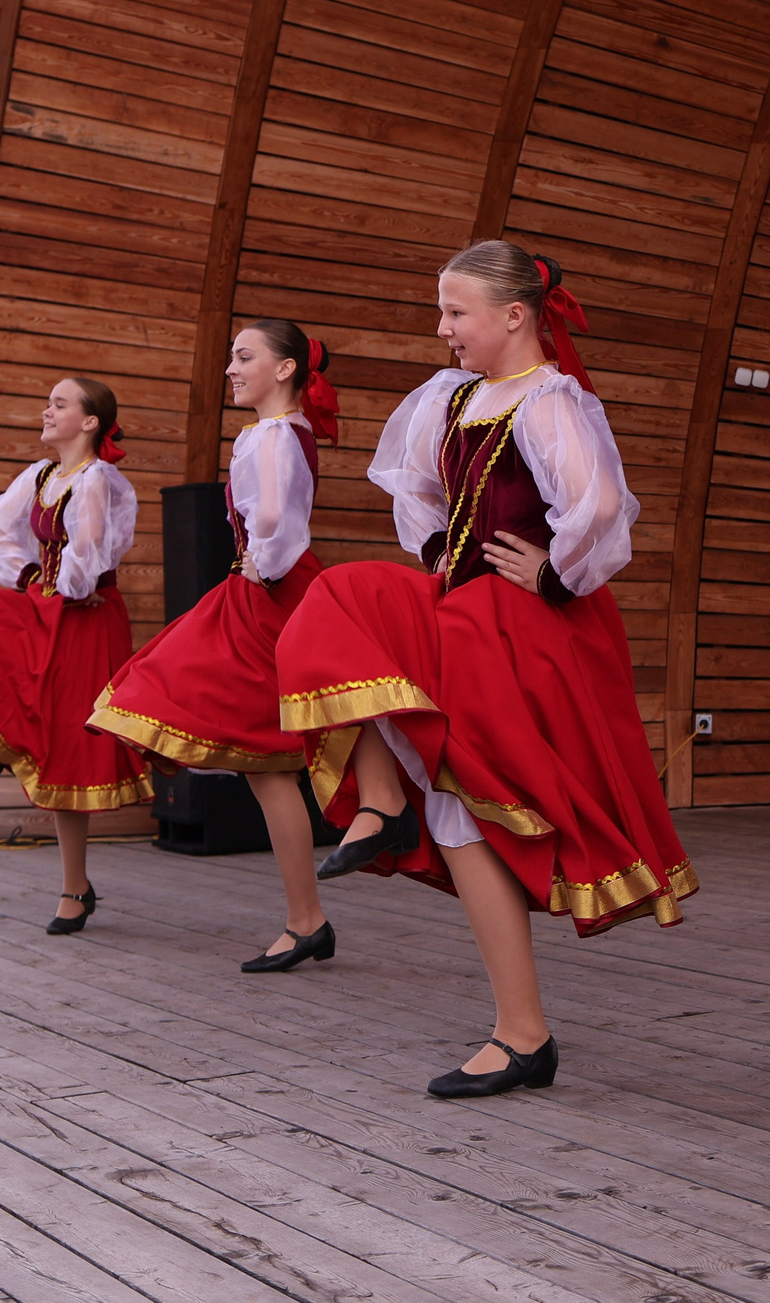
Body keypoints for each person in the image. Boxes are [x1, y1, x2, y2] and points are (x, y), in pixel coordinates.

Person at [277, 242, 696, 1098]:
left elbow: (602, 504)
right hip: (464, 609)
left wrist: (552, 571)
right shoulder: (454, 396)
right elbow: (415, 489)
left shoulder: (549, 401)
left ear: (515, 316)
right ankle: (517, 1025)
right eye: (442, 311)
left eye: (456, 311)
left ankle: (519, 1030)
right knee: (349, 625)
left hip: (526, 624)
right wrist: (440, 550)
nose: (443, 328)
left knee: (459, 784)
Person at [93, 322, 339, 970]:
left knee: (266, 759)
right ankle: (306, 915)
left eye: (244, 356)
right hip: (258, 589)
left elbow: (283, 519)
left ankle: (308, 916)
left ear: (285, 369)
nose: (232, 367)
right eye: (232, 355)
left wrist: (264, 561)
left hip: (268, 595)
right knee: (265, 765)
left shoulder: (278, 434)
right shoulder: (266, 434)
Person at [0, 379, 148, 930]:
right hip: (50, 601)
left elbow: (89, 559)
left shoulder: (98, 480)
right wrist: (29, 575)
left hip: (86, 617)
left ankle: (73, 887)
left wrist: (61, 584)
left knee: (65, 743)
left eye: (60, 404)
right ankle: (12, 746)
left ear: (90, 422)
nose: (47, 409)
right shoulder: (41, 477)